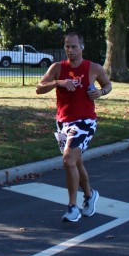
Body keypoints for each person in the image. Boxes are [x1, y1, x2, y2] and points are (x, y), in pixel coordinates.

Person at [36, 32, 112, 223]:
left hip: (84, 122)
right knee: (75, 163)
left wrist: (100, 92)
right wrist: (58, 82)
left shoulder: (93, 68)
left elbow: (108, 85)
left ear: (82, 47)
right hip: (63, 123)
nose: (70, 50)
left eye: (74, 46)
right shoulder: (57, 68)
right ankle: (90, 195)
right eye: (67, 46)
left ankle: (72, 207)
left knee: (68, 160)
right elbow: (39, 88)